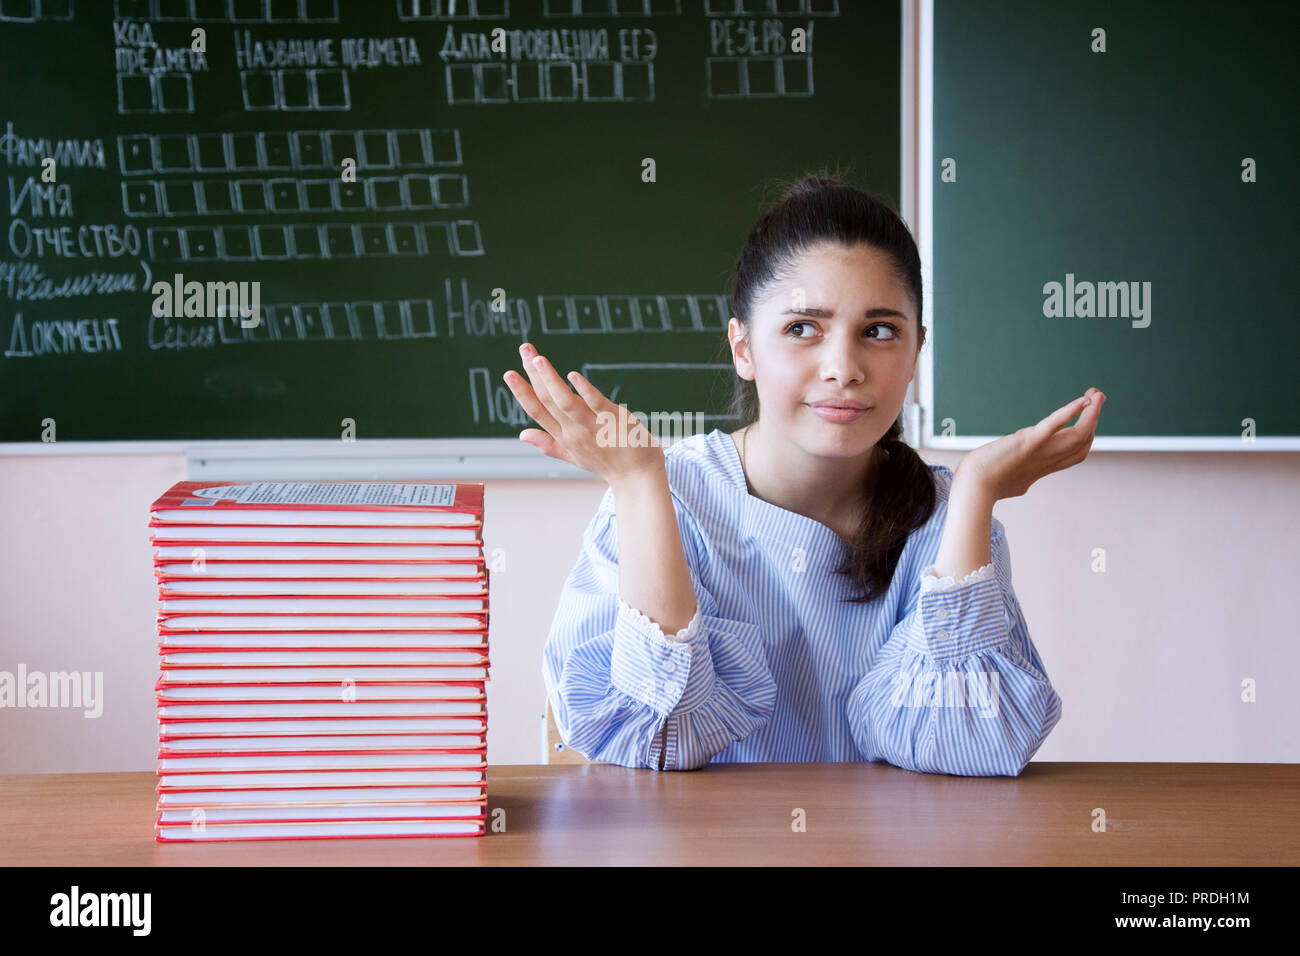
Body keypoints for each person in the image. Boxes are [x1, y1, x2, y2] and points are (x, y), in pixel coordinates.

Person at [504, 173, 1105, 775]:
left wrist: (975, 490)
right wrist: (637, 484)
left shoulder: (948, 518)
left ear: (916, 349)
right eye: (801, 329)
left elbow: (962, 745)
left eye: (878, 331)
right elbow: (661, 741)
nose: (843, 368)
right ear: (744, 348)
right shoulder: (669, 495)